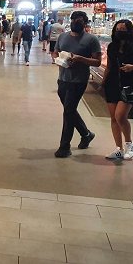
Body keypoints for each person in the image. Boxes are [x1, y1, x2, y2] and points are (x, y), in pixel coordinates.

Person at [52, 11, 101, 158]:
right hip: (62, 79)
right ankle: (86, 134)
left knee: (68, 111)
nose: (76, 22)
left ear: (85, 23)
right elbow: (55, 52)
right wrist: (59, 59)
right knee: (70, 110)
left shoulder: (91, 39)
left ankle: (64, 146)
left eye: (79, 21)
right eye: (74, 20)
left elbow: (97, 61)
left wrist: (80, 59)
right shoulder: (62, 36)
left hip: (78, 81)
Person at [100, 20, 133, 161]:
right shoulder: (112, 46)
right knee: (113, 118)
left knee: (120, 116)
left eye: (123, 28)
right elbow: (109, 67)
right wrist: (103, 82)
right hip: (112, 83)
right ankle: (119, 149)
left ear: (129, 30)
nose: (120, 31)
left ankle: (129, 144)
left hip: (129, 84)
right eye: (118, 29)